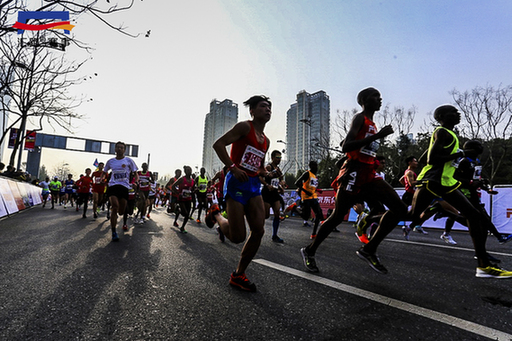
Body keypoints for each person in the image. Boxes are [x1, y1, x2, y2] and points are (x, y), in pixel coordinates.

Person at [300, 87, 408, 274]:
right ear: (365, 100)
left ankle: (369, 248)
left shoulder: (373, 124)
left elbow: (353, 145)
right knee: (336, 217)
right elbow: (347, 146)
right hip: (353, 173)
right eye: (376, 97)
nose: (380, 99)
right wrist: (378, 136)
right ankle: (309, 251)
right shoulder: (361, 119)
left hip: (369, 173)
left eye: (380, 96)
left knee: (397, 209)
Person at [410, 105, 512, 278]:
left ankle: (484, 266)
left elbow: (423, 158)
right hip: (432, 181)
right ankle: (370, 221)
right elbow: (431, 159)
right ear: (442, 116)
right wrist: (461, 153)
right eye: (454, 112)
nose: (458, 114)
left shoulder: (447, 135)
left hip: (445, 182)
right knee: (410, 216)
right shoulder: (442, 132)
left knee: (475, 216)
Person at [205, 95, 271, 292]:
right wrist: (232, 167)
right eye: (262, 106)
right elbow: (218, 144)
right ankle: (216, 214)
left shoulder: (266, 141)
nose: (267, 109)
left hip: (252, 186)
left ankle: (238, 274)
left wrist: (266, 173)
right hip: (236, 184)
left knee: (258, 230)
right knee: (237, 237)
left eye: (269, 107)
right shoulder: (245, 127)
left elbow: (257, 167)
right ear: (252, 110)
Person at [102, 141, 139, 242]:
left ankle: (120, 212)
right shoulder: (110, 161)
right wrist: (102, 178)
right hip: (113, 186)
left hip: (124, 187)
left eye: (121, 148)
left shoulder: (129, 161)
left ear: (124, 150)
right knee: (114, 207)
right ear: (115, 149)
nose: (119, 149)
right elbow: (104, 172)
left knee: (121, 211)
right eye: (118, 147)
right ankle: (114, 231)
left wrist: (135, 182)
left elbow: (136, 173)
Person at [261, 150, 286, 243]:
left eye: (280, 158)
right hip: (267, 193)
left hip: (275, 193)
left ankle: (274, 235)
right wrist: (267, 185)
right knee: (266, 215)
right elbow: (259, 177)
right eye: (277, 157)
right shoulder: (268, 167)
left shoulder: (279, 170)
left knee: (277, 213)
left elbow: (281, 181)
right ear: (272, 158)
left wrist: (282, 185)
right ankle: (257, 230)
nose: (279, 159)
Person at [295, 161, 324, 239]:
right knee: (306, 216)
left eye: (317, 166)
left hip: (313, 197)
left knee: (319, 214)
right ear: (311, 167)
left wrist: (317, 190)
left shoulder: (314, 176)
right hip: (306, 197)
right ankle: (294, 208)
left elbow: (312, 186)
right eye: (315, 166)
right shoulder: (307, 174)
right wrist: (305, 191)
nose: (317, 168)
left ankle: (314, 233)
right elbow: (297, 183)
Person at [171, 165, 195, 233]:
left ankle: (182, 227)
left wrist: (194, 191)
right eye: (188, 170)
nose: (189, 171)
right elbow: (173, 186)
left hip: (188, 199)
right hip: (181, 199)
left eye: (190, 170)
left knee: (187, 214)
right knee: (185, 213)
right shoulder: (182, 179)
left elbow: (192, 190)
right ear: (185, 171)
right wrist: (178, 193)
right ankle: (178, 209)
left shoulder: (193, 181)